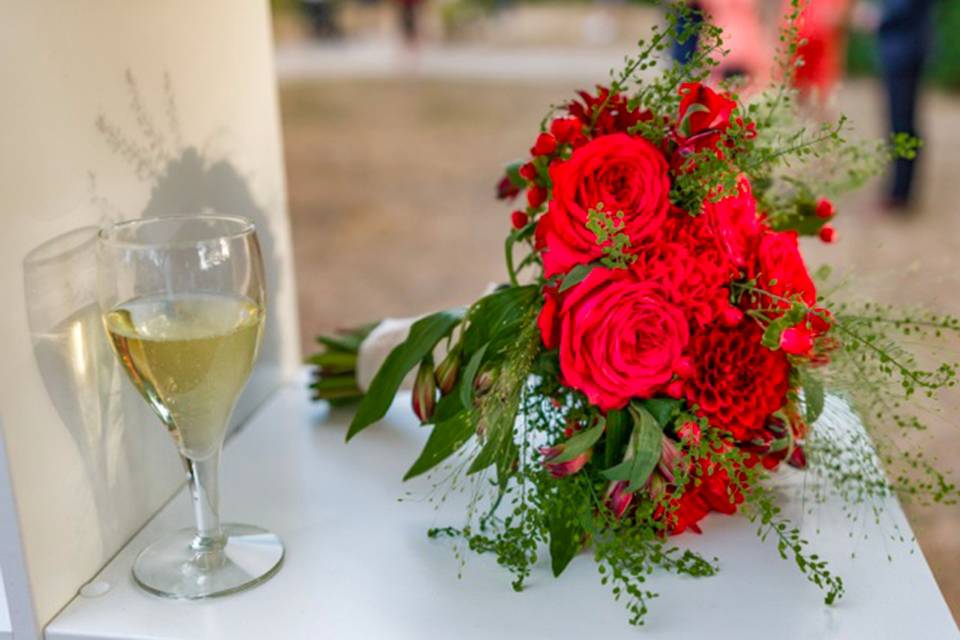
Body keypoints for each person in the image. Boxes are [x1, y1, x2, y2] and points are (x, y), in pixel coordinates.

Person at [878, 0, 935, 210]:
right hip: (908, 47)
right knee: (902, 121)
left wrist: (876, 17)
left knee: (901, 122)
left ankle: (900, 193)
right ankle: (900, 190)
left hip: (903, 50)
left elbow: (901, 8)